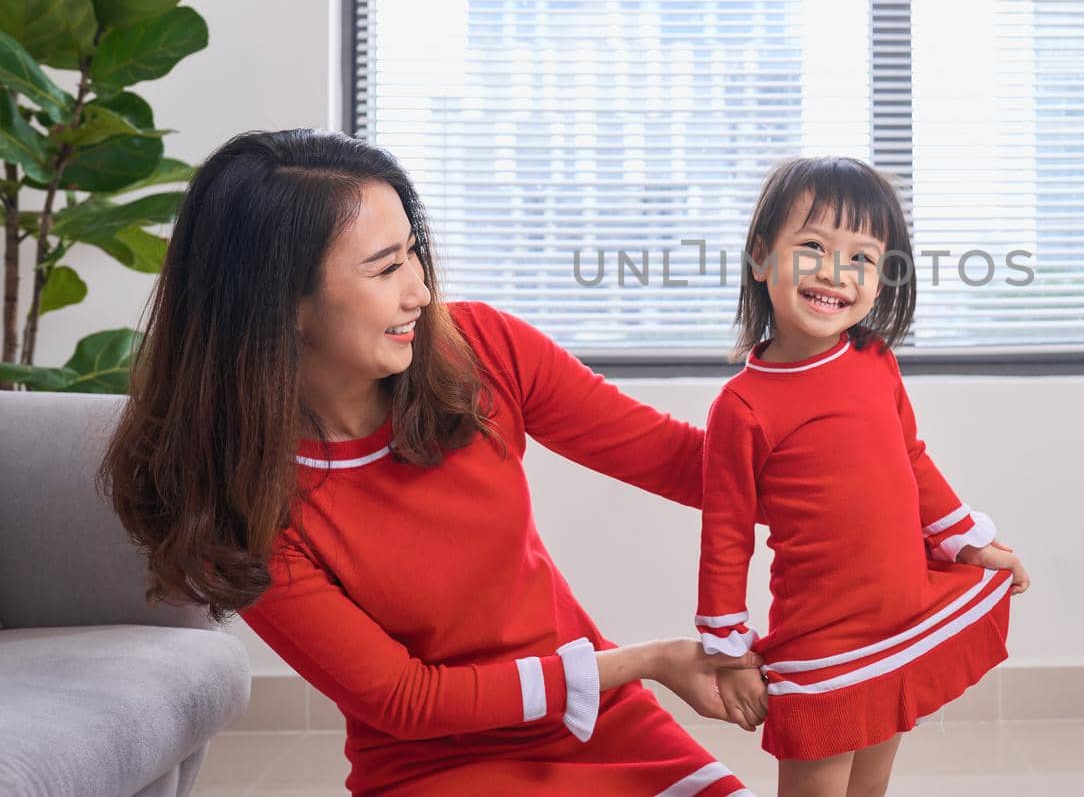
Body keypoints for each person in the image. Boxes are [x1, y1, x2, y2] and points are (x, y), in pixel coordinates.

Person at [99, 129, 760, 796]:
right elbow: (405, 701)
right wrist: (647, 661)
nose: (419, 289)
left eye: (414, 253)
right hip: (439, 765)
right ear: (277, 305)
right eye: (385, 269)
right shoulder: (237, 500)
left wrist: (842, 457)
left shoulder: (480, 348)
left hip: (599, 727)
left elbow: (685, 464)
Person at [693, 156, 1031, 797]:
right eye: (813, 246)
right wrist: (729, 654)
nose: (834, 272)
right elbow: (725, 537)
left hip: (899, 625)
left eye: (861, 258)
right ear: (762, 258)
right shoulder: (743, 407)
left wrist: (971, 543)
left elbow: (912, 459)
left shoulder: (876, 360)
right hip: (824, 646)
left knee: (870, 790)